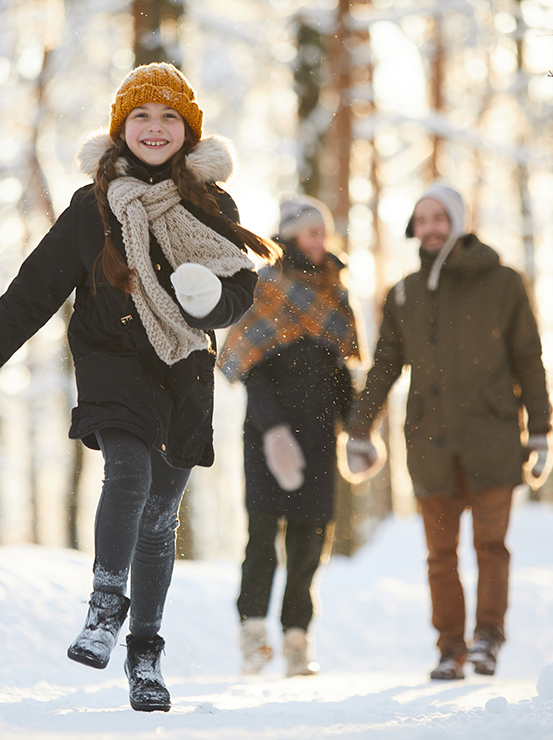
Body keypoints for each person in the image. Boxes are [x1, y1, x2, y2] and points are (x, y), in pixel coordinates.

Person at [0, 62, 278, 712]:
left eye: (169, 117)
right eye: (141, 116)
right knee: (128, 473)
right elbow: (34, 291)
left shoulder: (211, 204)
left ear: (188, 132)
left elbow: (238, 292)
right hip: (113, 364)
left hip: (185, 371)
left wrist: (210, 302)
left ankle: (145, 654)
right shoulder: (92, 208)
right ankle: (105, 606)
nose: (155, 127)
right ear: (121, 129)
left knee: (160, 519)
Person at [345, 183, 551, 681]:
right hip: (430, 443)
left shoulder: (503, 283)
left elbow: (529, 359)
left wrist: (541, 431)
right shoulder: (405, 292)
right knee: (440, 555)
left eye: (440, 218)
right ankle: (449, 647)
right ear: (414, 228)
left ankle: (487, 640)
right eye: (423, 219)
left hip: (494, 440)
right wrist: (359, 429)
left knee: (490, 547)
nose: (430, 227)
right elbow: (385, 367)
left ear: (456, 223)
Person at [218, 196, 362, 677]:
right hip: (266, 435)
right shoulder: (265, 288)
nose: (319, 241)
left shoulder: (336, 292)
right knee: (262, 540)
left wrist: (358, 431)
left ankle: (298, 640)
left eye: (323, 232)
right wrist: (275, 432)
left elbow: (342, 374)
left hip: (322, 437)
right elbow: (250, 371)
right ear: (290, 237)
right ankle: (253, 635)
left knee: (309, 544)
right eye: (310, 233)